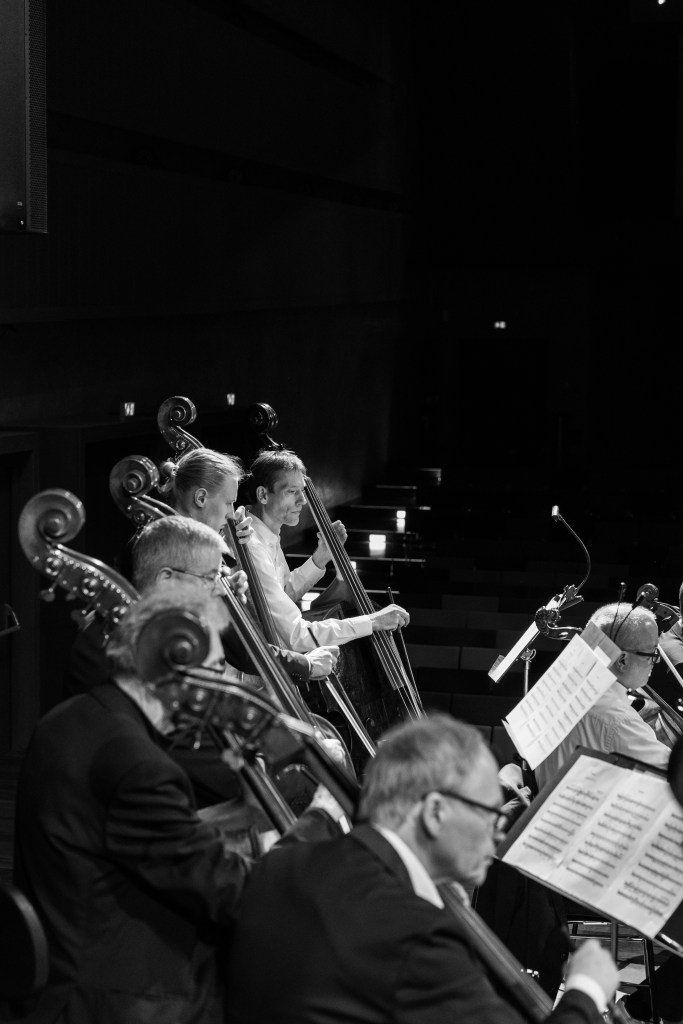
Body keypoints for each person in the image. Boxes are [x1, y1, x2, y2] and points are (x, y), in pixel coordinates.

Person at [13, 582, 341, 1024]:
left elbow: (136, 840)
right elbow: (242, 896)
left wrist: (242, 813)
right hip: (122, 994)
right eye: (214, 670)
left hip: (73, 950)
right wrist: (322, 815)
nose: (222, 687)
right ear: (176, 666)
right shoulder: (137, 763)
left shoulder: (71, 718)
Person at [224, 714, 617, 1024]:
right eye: (489, 815)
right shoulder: (419, 936)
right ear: (434, 812)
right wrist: (585, 990)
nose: (497, 832)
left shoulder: (285, 860)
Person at [535, 603, 679, 1024]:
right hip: (596, 857)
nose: (656, 664)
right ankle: (641, 1008)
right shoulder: (612, 715)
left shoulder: (571, 685)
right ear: (621, 658)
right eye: (652, 655)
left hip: (554, 833)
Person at [157, 446, 340, 681]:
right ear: (201, 498)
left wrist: (228, 557)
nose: (232, 514)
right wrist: (304, 664)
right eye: (228, 503)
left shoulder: (187, 543)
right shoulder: (179, 552)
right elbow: (238, 645)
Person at [244, 448, 410, 652]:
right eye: (291, 491)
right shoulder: (252, 545)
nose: (303, 501)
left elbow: (283, 594)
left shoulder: (267, 536)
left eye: (302, 491)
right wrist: (372, 622)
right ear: (263, 495)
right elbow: (297, 635)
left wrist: (320, 558)